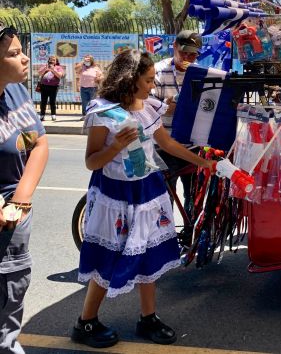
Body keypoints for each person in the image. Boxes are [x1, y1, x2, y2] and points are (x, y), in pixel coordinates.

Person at [71, 50, 216, 349]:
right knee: (110, 255)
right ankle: (85, 322)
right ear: (130, 79)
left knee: (148, 252)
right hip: (115, 194)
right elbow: (91, 161)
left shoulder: (148, 107)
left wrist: (202, 162)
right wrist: (115, 149)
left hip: (147, 190)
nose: (153, 86)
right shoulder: (102, 112)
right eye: (148, 80)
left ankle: (148, 317)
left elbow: (166, 143)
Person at [0, 23, 49, 354]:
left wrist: (21, 199)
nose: (26, 58)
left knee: (14, 286)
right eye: (14, 53)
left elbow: (39, 142)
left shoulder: (16, 90)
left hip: (14, 212)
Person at [152, 31, 203, 203]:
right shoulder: (158, 72)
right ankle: (167, 230)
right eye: (184, 52)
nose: (187, 57)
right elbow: (152, 110)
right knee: (165, 198)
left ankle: (191, 230)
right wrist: (173, 103)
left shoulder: (201, 74)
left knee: (194, 199)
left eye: (193, 54)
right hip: (165, 146)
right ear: (174, 46)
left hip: (193, 146)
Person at [37, 55, 65, 121]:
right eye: (50, 59)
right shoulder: (45, 66)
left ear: (56, 61)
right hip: (44, 86)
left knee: (52, 101)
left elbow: (59, 76)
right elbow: (39, 73)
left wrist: (53, 70)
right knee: (43, 101)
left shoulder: (58, 67)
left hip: (54, 87)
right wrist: (45, 69)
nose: (52, 61)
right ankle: (42, 115)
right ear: (48, 60)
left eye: (53, 60)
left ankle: (53, 115)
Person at [77, 55, 103, 120]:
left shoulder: (96, 67)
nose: (87, 61)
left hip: (93, 88)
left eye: (88, 60)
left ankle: (93, 116)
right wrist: (83, 62)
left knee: (93, 102)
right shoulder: (82, 67)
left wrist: (99, 77)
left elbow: (102, 75)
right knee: (84, 102)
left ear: (91, 61)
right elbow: (76, 69)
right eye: (86, 60)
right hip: (83, 87)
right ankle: (85, 115)